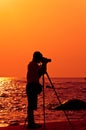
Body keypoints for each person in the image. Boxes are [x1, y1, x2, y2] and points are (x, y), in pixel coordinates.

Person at [26, 51, 46, 129]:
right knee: (31, 106)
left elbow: (40, 74)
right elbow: (41, 72)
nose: (40, 60)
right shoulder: (33, 64)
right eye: (40, 58)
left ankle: (31, 123)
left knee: (32, 105)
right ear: (37, 58)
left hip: (32, 86)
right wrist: (44, 64)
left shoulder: (33, 65)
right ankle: (31, 124)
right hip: (31, 86)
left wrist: (43, 65)